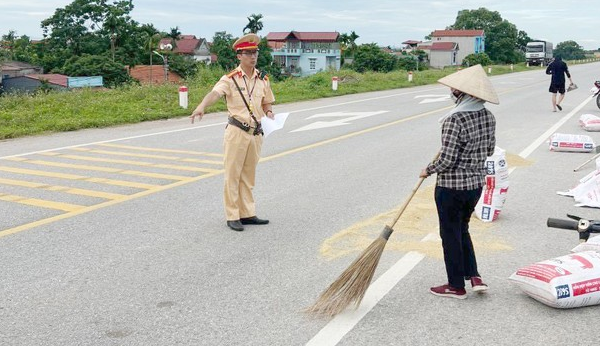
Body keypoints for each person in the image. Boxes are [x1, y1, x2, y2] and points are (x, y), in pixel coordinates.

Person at [419, 64, 497, 299]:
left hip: (451, 188)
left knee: (450, 234)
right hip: (475, 186)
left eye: (454, 89)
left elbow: (447, 160)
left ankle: (456, 286)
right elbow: (490, 150)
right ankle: (473, 275)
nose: (451, 91)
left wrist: (428, 169)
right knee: (462, 229)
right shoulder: (488, 116)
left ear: (461, 94)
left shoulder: (454, 120)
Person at [190, 33, 275, 232]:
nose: (253, 57)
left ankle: (247, 213)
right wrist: (202, 105)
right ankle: (232, 215)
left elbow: (267, 100)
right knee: (233, 175)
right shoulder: (230, 79)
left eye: (255, 53)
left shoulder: (263, 78)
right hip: (237, 131)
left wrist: (269, 111)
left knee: (248, 175)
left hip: (256, 133)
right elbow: (215, 93)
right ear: (239, 56)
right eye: (248, 53)